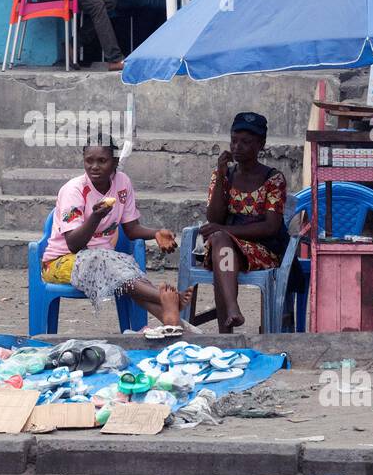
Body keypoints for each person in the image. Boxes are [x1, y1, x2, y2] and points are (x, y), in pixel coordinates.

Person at [41, 136, 192, 333]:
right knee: (105, 261)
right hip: (60, 262)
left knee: (123, 267)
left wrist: (155, 233)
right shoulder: (74, 190)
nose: (94, 167)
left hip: (104, 261)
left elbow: (131, 229)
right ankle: (166, 298)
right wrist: (95, 217)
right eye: (89, 161)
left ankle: (172, 322)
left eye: (102, 161)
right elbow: (73, 244)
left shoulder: (122, 183)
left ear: (115, 162)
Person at [199, 112, 289, 332]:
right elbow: (214, 218)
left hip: (263, 249)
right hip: (228, 249)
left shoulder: (273, 179)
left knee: (220, 240)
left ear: (261, 144)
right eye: (234, 140)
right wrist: (221, 177)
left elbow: (271, 227)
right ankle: (232, 311)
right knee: (221, 245)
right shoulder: (224, 174)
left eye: (246, 142)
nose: (237, 147)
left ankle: (225, 329)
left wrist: (225, 230)